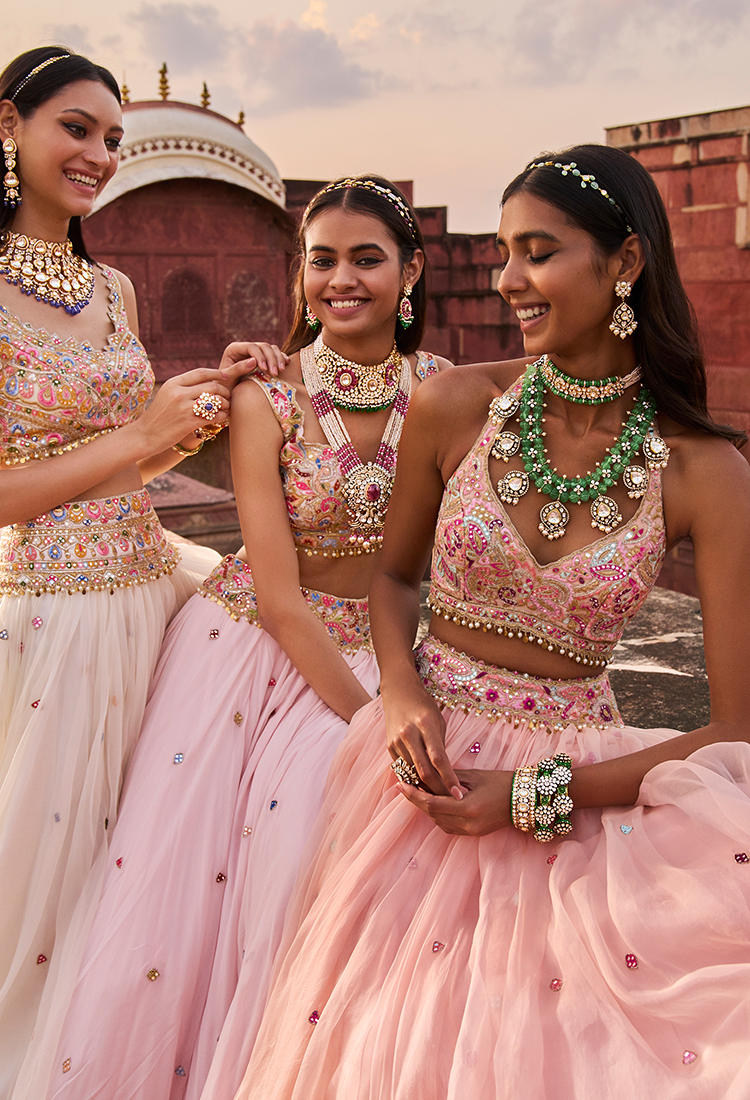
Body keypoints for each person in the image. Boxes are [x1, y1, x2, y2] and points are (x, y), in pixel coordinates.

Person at [231, 144, 750, 1100]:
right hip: (416, 776)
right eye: (505, 251)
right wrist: (397, 696)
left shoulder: (702, 470)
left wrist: (529, 796)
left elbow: (734, 729)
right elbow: (392, 579)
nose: (509, 278)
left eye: (538, 251)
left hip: (573, 783)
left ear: (626, 262)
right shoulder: (458, 402)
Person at [42, 175, 451, 1100]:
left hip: (382, 646)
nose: (339, 280)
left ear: (414, 270)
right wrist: (373, 724)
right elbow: (279, 598)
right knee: (275, 862)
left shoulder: (445, 394)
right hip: (254, 656)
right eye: (321, 261)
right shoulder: (270, 395)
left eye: (366, 259)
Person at [0, 46, 261, 1099]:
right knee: (46, 888)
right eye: (76, 128)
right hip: (48, 616)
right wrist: (135, 440)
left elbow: (139, 456)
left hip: (148, 592)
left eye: (112, 137)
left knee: (140, 865)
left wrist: (203, 400)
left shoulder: (110, 286)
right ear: (7, 128)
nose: (100, 154)